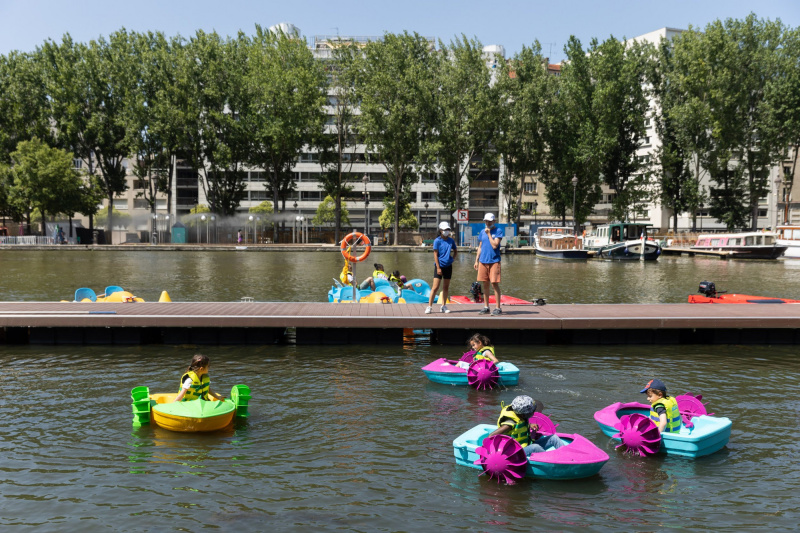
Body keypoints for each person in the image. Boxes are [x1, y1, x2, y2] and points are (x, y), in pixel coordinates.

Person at [488, 395, 566, 455]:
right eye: (532, 412)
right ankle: (550, 462)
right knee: (535, 447)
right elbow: (491, 436)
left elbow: (519, 425)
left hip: (526, 444)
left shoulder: (520, 415)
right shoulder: (509, 424)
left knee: (554, 438)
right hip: (516, 451)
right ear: (524, 414)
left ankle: (565, 455)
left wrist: (530, 425)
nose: (533, 413)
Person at [474, 213, 503, 315]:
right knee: (485, 284)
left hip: (494, 261)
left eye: (490, 221)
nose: (488, 223)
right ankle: (486, 307)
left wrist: (489, 234)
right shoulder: (482, 232)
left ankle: (498, 308)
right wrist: (476, 260)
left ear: (494, 221)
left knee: (494, 284)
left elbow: (495, 245)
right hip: (483, 261)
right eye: (486, 221)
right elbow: (480, 246)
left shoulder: (498, 231)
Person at [426, 221, 458, 314]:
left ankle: (443, 306)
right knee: (435, 287)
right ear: (440, 230)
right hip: (439, 266)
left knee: (446, 287)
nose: (446, 231)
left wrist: (452, 259)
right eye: (444, 230)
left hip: (448, 266)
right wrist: (438, 267)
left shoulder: (451, 240)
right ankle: (429, 306)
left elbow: (455, 251)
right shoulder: (437, 241)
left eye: (447, 229)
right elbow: (435, 254)